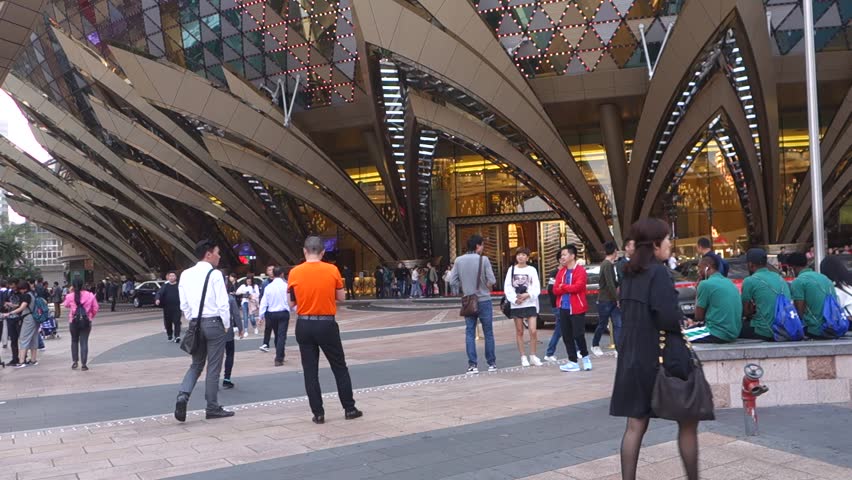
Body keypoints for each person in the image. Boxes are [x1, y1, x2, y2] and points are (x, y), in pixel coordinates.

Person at [610, 218, 699, 480]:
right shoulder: (658, 271)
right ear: (655, 243)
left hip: (632, 355)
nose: (670, 243)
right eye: (668, 238)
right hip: (660, 355)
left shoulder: (628, 273)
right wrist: (682, 319)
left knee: (635, 424)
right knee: (687, 419)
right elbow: (667, 317)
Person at [288, 236, 362, 424]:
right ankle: (349, 408)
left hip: (304, 324)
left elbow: (291, 302)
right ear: (322, 252)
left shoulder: (295, 272)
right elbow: (342, 297)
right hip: (326, 323)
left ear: (305, 251)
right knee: (339, 367)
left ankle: (318, 413)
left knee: (310, 371)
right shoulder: (332, 270)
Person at [174, 239, 234, 422]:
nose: (219, 256)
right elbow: (223, 303)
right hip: (214, 323)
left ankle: (183, 395)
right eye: (217, 252)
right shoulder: (215, 274)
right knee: (214, 366)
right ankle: (212, 407)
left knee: (196, 364)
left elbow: (183, 303)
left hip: (195, 324)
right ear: (208, 254)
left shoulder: (185, 274)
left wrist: (192, 318)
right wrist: (226, 325)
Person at [450, 235, 497, 374]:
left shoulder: (458, 260)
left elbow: (452, 281)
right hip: (484, 300)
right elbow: (492, 280)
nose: (482, 248)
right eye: (482, 245)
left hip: (468, 301)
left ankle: (472, 365)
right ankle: (491, 363)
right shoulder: (484, 260)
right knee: (488, 333)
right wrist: (484, 286)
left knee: (469, 333)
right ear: (477, 246)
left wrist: (465, 287)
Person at [685, 254, 742, 343]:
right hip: (733, 332)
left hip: (716, 332)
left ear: (707, 267)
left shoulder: (705, 284)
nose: (698, 272)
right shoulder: (729, 282)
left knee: (679, 337)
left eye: (700, 268)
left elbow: (698, 316)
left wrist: (698, 289)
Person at [553, 244, 592, 372]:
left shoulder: (580, 270)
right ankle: (572, 361)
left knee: (578, 334)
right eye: (561, 255)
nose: (562, 257)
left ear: (572, 256)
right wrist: (565, 287)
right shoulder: (561, 271)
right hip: (563, 307)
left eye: (564, 255)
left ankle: (585, 357)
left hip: (577, 308)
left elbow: (578, 287)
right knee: (567, 335)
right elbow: (555, 290)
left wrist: (563, 287)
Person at [740, 248, 791, 341]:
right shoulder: (779, 278)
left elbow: (745, 312)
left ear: (750, 264)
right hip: (785, 328)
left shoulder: (750, 281)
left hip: (765, 331)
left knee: (733, 328)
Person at [503, 247, 542, 367]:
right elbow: (508, 287)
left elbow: (536, 286)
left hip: (530, 303)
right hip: (516, 304)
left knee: (533, 330)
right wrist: (515, 299)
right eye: (519, 255)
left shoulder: (532, 270)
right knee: (519, 331)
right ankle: (523, 356)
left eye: (524, 255)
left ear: (528, 257)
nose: (521, 257)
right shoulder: (512, 269)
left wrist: (527, 295)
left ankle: (533, 355)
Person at [787, 252, 839, 339]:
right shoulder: (824, 278)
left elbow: (799, 312)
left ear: (793, 267)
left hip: (815, 330)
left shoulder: (799, 281)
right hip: (833, 326)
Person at [592, 241, 622, 356]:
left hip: (609, 300)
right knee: (603, 324)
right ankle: (595, 344)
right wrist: (617, 298)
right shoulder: (607, 265)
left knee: (617, 324)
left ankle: (618, 349)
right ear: (614, 251)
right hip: (606, 300)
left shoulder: (607, 264)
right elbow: (610, 283)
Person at [64, 278, 99, 370]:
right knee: (84, 342)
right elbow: (95, 307)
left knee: (74, 341)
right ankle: (84, 364)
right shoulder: (90, 295)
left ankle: (75, 362)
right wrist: (90, 316)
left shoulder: (70, 296)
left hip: (73, 321)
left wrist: (70, 292)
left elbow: (66, 305)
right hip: (86, 321)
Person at [259, 266, 291, 366]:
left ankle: (279, 354)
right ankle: (279, 357)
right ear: (282, 274)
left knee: (277, 334)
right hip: (283, 313)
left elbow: (264, 302)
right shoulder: (286, 286)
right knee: (282, 336)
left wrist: (261, 316)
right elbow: (291, 301)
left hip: (271, 313)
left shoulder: (268, 287)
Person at [2, 281, 38, 367]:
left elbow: (22, 307)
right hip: (34, 318)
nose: (20, 291)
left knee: (23, 339)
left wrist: (9, 313)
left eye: (21, 289)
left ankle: (21, 361)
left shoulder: (26, 296)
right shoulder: (32, 294)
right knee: (33, 339)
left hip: (28, 319)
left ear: (24, 288)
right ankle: (33, 360)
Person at [222, 269, 244, 389]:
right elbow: (236, 314)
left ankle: (213, 379)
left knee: (215, 356)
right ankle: (227, 378)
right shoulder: (229, 298)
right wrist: (240, 329)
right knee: (229, 354)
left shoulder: (210, 299)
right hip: (227, 330)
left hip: (212, 331)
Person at [155, 272, 182, 343]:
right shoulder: (165, 285)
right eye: (170, 276)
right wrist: (157, 299)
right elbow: (159, 293)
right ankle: (169, 335)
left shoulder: (179, 285)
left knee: (177, 322)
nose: (172, 277)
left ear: (176, 277)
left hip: (177, 307)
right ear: (168, 277)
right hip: (167, 307)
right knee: (168, 322)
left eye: (173, 276)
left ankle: (177, 336)